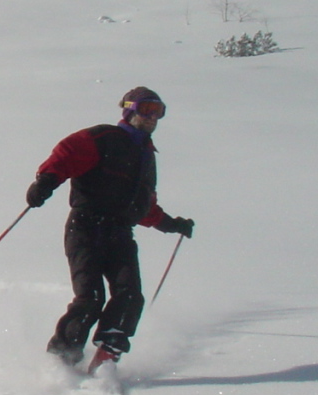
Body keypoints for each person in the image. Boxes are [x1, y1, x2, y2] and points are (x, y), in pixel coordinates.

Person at [26, 87, 194, 369]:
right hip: (86, 227)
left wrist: (171, 224)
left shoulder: (146, 156)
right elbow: (67, 153)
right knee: (90, 299)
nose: (153, 117)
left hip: (120, 234)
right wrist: (46, 181)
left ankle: (106, 358)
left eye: (158, 111)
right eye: (146, 109)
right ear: (129, 110)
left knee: (130, 297)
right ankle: (60, 361)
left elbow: (145, 206)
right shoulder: (105, 138)